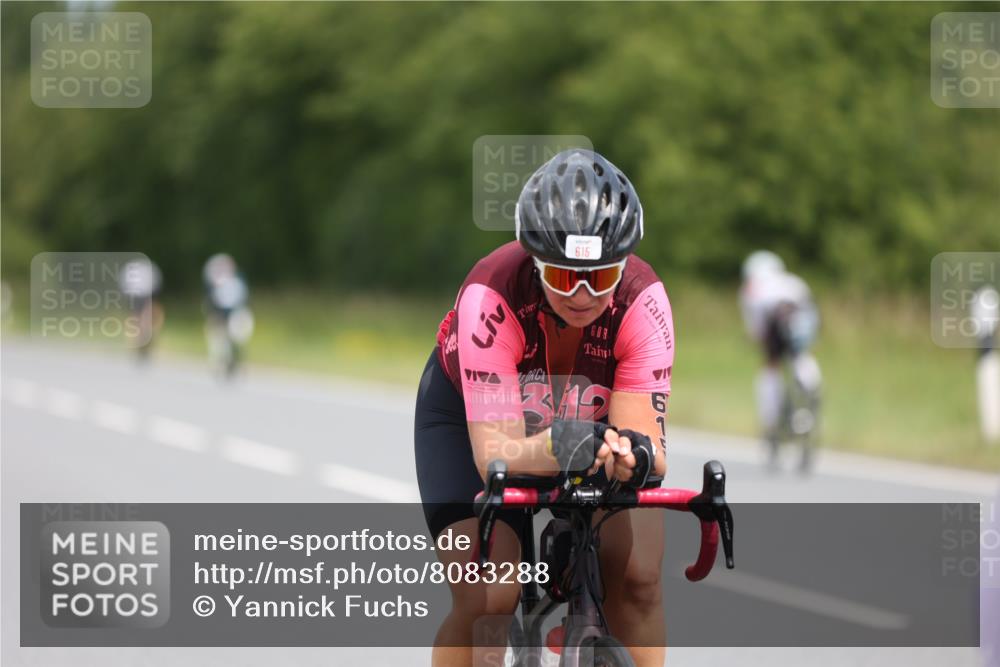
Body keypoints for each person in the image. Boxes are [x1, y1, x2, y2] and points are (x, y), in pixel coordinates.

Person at [414, 149, 674, 666]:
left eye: (600, 277)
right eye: (564, 276)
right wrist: (567, 444)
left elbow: (647, 447)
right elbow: (496, 455)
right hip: (473, 422)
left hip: (586, 430)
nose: (582, 295)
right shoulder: (492, 294)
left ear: (623, 266)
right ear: (535, 262)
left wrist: (633, 457)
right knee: (488, 597)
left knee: (640, 579)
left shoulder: (643, 301)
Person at [739, 250, 821, 467]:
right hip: (802, 320)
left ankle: (771, 419)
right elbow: (812, 314)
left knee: (771, 366)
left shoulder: (752, 289)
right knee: (800, 355)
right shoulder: (794, 282)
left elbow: (758, 330)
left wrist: (758, 341)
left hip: (776, 321)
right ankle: (811, 384)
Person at [202, 253, 253, 378]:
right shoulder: (217, 282)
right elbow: (212, 301)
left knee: (237, 340)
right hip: (221, 314)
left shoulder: (237, 281)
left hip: (236, 313)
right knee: (219, 341)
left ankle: (237, 362)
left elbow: (243, 299)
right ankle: (220, 363)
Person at [118, 256, 163, 361]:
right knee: (144, 316)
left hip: (136, 292)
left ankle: (136, 342)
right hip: (143, 292)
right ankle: (142, 340)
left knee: (136, 316)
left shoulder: (135, 269)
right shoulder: (148, 269)